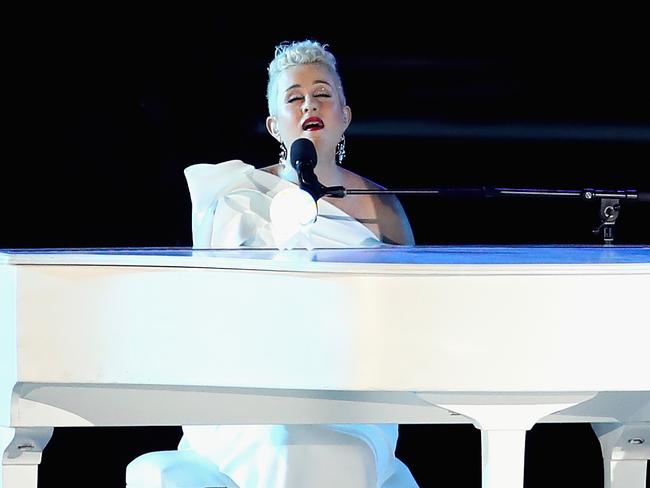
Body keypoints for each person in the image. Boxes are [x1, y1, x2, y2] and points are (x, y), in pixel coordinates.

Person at [126, 40, 418, 488]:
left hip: (351, 395)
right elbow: (211, 308)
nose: (309, 105)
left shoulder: (382, 207)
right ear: (274, 124)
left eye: (322, 94)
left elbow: (410, 312)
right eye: (294, 98)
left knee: (321, 447)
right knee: (278, 440)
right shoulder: (237, 198)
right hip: (250, 390)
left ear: (345, 114)